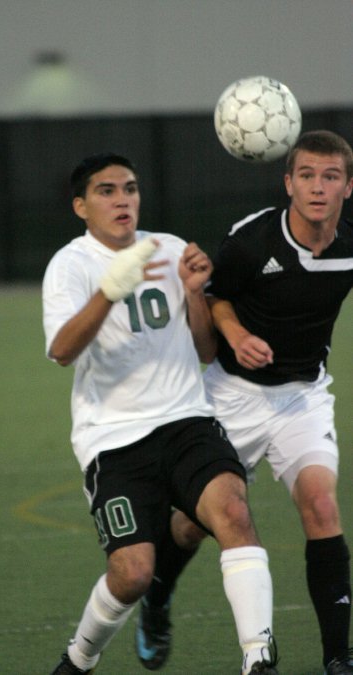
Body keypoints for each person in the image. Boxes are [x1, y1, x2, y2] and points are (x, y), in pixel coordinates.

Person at [42, 153, 279, 674]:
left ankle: (258, 659)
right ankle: (79, 659)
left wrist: (195, 294)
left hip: (187, 421)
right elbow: (62, 350)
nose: (122, 199)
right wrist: (109, 291)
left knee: (235, 515)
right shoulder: (71, 265)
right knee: (131, 574)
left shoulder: (168, 248)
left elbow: (205, 350)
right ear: (81, 206)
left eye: (129, 188)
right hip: (113, 439)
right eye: (106, 191)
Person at [138, 130, 353, 675]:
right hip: (231, 396)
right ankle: (156, 598)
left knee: (322, 506)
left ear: (348, 187)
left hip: (302, 396)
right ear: (288, 183)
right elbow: (217, 299)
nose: (318, 188)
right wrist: (234, 335)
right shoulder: (253, 239)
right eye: (306, 175)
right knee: (192, 524)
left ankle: (338, 657)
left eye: (330, 177)